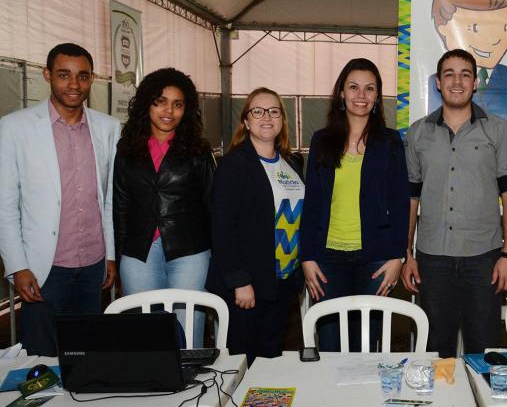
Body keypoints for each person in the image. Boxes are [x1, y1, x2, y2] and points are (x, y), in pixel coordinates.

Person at [402, 49, 507, 358]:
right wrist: (407, 254)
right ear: (438, 83)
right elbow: (410, 196)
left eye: (465, 74)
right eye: (449, 74)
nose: (457, 81)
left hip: (484, 259)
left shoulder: (499, 131)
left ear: (475, 83)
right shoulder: (417, 133)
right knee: (434, 351)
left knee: (485, 351)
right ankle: (439, 405)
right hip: (432, 259)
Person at [0, 43, 119, 356]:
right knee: (40, 361)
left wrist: (110, 254)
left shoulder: (107, 128)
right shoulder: (15, 128)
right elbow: (5, 206)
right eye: (64, 75)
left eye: (82, 76)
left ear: (91, 79)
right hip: (43, 267)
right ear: (47, 75)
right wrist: (18, 267)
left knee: (88, 356)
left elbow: (107, 199)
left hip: (93, 266)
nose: (74, 84)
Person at [300, 58, 409, 351]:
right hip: (327, 259)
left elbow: (401, 202)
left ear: (377, 97)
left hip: (375, 260)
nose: (361, 95)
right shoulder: (322, 140)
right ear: (341, 94)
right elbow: (311, 204)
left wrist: (397, 257)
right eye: (354, 87)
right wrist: (307, 257)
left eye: (369, 89)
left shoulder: (390, 142)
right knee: (331, 345)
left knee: (365, 346)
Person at [113, 68, 215, 346]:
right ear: (147, 103)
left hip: (190, 253)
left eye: (178, 104)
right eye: (160, 101)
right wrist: (121, 257)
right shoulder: (126, 149)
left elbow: (211, 205)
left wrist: (216, 256)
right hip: (139, 254)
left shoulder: (198, 150)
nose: (168, 110)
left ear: (187, 110)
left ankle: (194, 384)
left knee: (188, 330)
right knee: (144, 333)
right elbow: (120, 208)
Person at [207, 88, 304, 363]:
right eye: (257, 111)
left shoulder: (292, 164)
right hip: (248, 284)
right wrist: (240, 281)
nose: (267, 117)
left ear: (282, 120)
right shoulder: (234, 165)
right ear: (246, 121)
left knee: (270, 359)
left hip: (281, 281)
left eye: (274, 111)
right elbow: (223, 227)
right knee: (243, 362)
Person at [426, 0, 507, 121]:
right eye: (475, 28)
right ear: (444, 28)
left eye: (504, 28)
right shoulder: (434, 84)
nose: (494, 40)